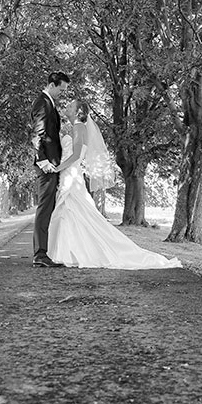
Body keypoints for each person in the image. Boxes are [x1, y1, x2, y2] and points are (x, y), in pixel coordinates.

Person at [47, 98, 181, 270]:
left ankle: (70, 253)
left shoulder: (79, 127)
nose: (67, 106)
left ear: (79, 112)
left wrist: (57, 168)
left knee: (71, 212)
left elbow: (75, 155)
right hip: (69, 175)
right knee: (70, 214)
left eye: (71, 105)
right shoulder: (75, 128)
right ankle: (68, 253)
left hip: (71, 175)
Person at [30, 71, 70, 267]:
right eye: (61, 90)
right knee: (44, 208)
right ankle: (40, 254)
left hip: (53, 164)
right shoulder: (42, 103)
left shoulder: (49, 104)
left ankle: (44, 251)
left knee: (48, 208)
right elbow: (37, 134)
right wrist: (42, 160)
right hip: (47, 166)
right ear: (52, 85)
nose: (62, 94)